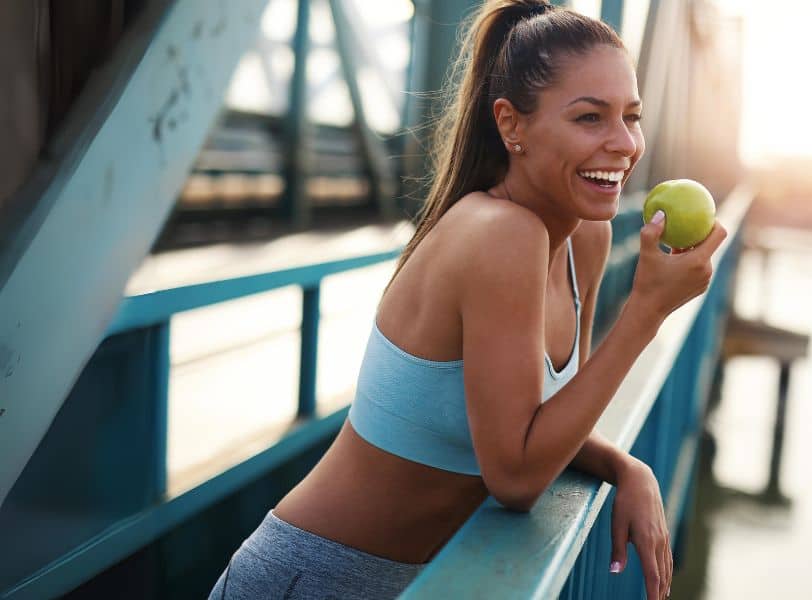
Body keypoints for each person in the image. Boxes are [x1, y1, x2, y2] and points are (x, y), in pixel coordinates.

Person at [209, 1, 726, 598]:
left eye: (630, 117)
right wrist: (645, 313)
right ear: (511, 125)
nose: (624, 143)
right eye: (590, 118)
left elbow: (540, 422)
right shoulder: (499, 233)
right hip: (317, 578)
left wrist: (623, 466)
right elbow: (515, 475)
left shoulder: (586, 237)